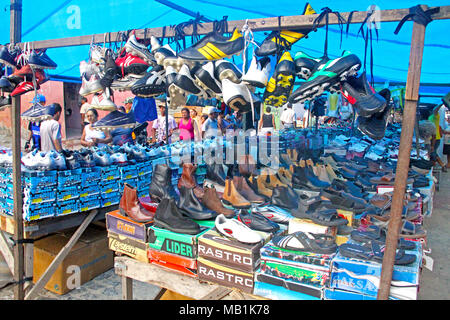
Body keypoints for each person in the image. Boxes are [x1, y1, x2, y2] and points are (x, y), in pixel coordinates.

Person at [429, 103, 449, 171]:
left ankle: (442, 165)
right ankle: (434, 164)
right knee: (432, 152)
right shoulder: (431, 117)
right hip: (433, 138)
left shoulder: (435, 116)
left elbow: (435, 109)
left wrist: (442, 103)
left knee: (433, 152)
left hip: (435, 138)